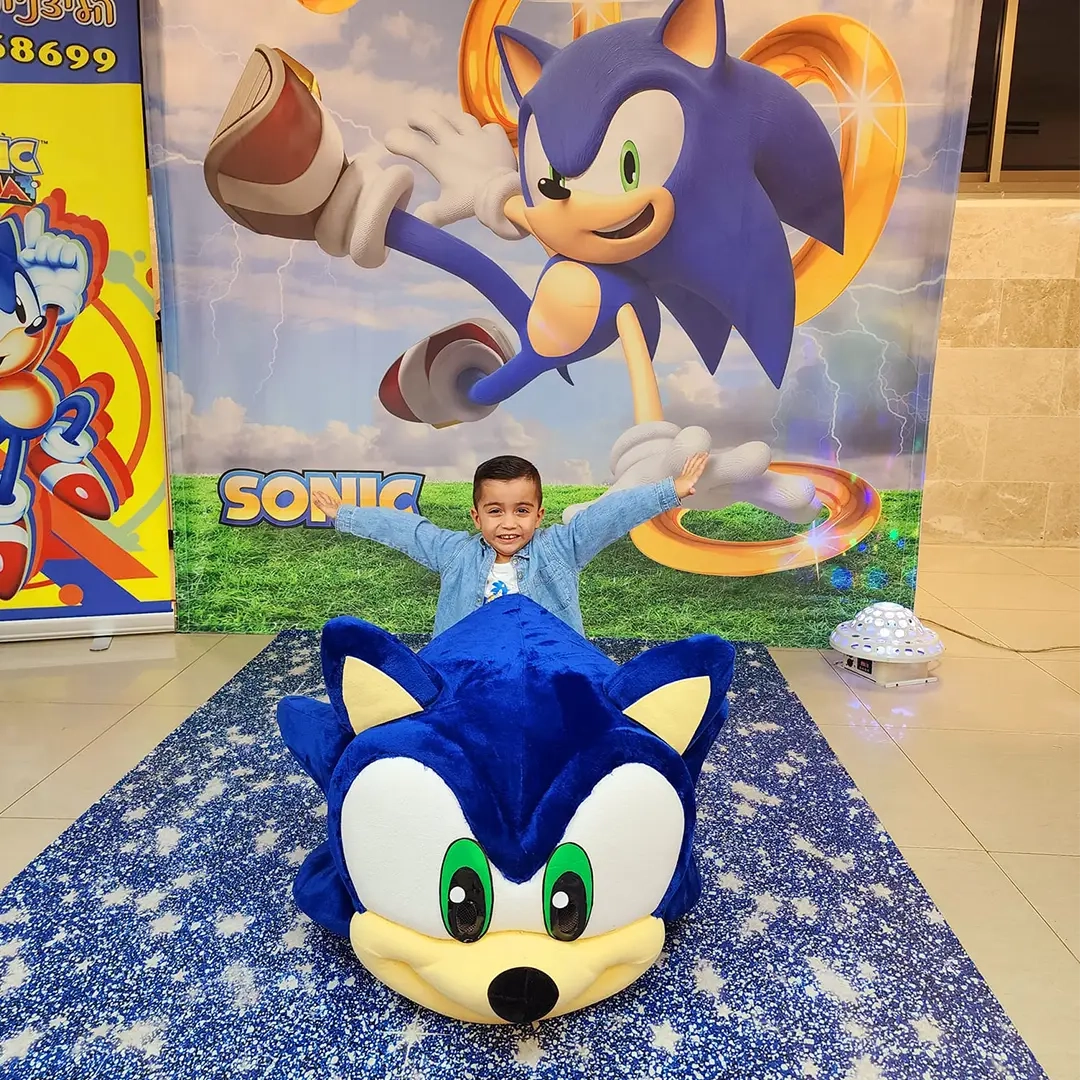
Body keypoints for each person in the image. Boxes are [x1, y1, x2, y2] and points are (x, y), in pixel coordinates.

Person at [312, 452, 708, 636]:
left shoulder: (560, 548)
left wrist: (670, 490)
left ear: (539, 515)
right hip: (470, 666)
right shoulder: (456, 553)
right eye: (495, 511)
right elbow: (409, 530)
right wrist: (345, 514)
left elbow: (608, 515)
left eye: (521, 511)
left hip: (544, 664)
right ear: (476, 517)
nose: (508, 524)